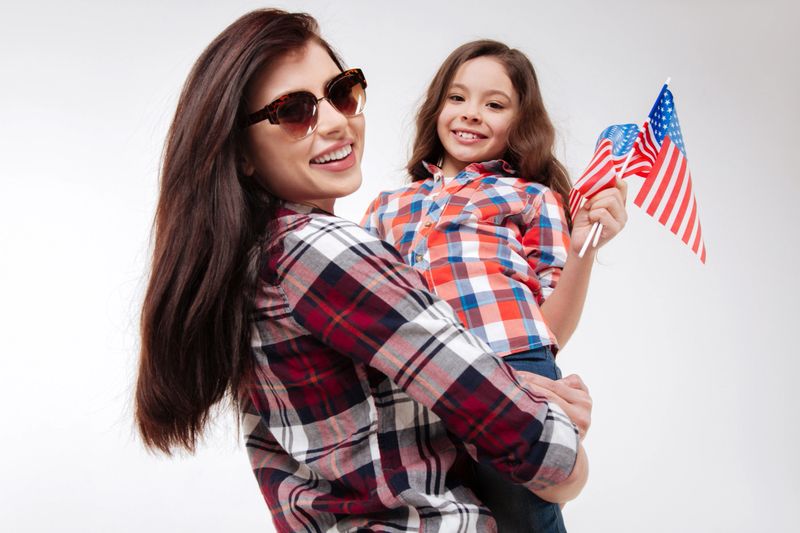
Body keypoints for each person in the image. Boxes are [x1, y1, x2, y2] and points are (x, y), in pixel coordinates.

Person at [134, 10, 592, 533]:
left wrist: (517, 382)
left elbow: (390, 411)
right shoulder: (323, 249)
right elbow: (554, 466)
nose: (334, 121)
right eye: (293, 111)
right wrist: (554, 431)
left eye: (341, 91)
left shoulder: (248, 260)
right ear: (241, 153)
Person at [361, 40, 627, 532]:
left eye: (495, 104)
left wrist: (584, 247)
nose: (472, 114)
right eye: (458, 97)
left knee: (522, 516)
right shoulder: (387, 206)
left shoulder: (532, 197)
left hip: (513, 368)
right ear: (437, 106)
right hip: (418, 378)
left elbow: (551, 325)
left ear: (519, 121)